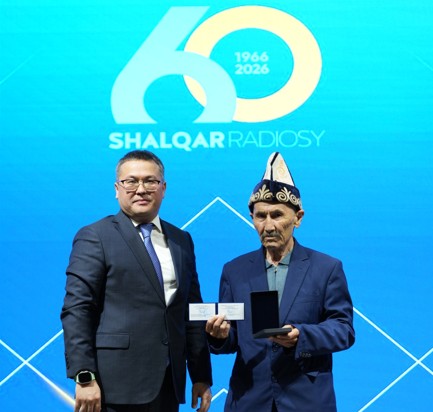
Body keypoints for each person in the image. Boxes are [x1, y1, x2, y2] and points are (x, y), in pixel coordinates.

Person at [61, 150, 212, 412]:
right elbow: (77, 309)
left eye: (150, 181)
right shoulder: (95, 236)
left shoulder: (182, 240)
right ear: (117, 189)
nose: (141, 189)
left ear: (163, 188)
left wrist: (200, 375)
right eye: (131, 181)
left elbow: (191, 312)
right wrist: (84, 375)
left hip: (168, 386)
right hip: (113, 387)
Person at [206, 152, 355, 412]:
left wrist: (301, 336)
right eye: (260, 216)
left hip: (306, 400)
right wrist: (220, 336)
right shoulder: (234, 270)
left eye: (277, 215)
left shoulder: (326, 268)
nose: (268, 226)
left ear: (298, 218)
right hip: (249, 400)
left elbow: (343, 330)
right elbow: (232, 339)